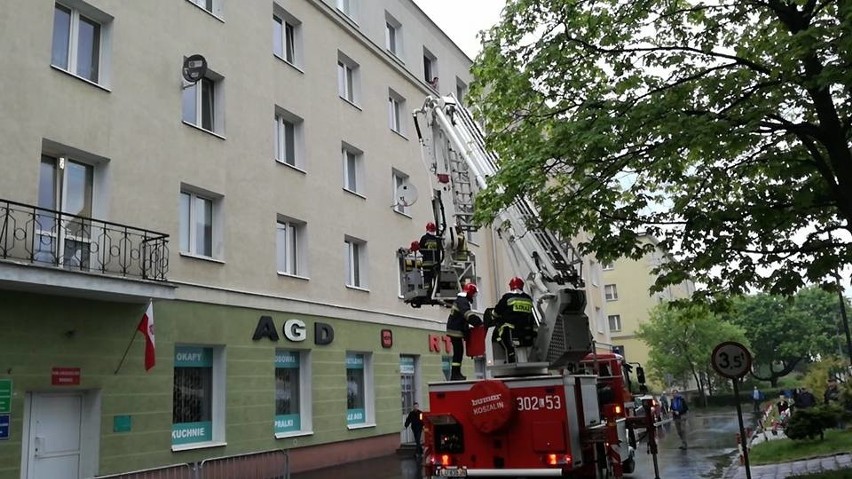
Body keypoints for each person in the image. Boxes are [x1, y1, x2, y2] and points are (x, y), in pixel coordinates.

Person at [491, 277, 535, 363]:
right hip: (526, 329)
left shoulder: (507, 297)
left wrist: (494, 316)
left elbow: (497, 310)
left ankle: (510, 353)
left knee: (498, 335)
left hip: (511, 328)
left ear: (511, 286)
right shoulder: (528, 298)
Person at [446, 282, 480, 380]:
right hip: (455, 330)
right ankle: (455, 375)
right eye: (473, 294)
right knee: (458, 352)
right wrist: (479, 323)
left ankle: (455, 374)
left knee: (458, 352)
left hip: (455, 328)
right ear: (469, 293)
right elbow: (468, 315)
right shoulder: (463, 301)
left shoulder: (461, 300)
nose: (473, 297)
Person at [419, 222, 440, 290]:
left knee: (427, 279)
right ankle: (436, 290)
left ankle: (428, 291)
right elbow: (439, 250)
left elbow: (420, 249)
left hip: (426, 263)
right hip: (435, 263)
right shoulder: (437, 239)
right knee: (436, 278)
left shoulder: (424, 238)